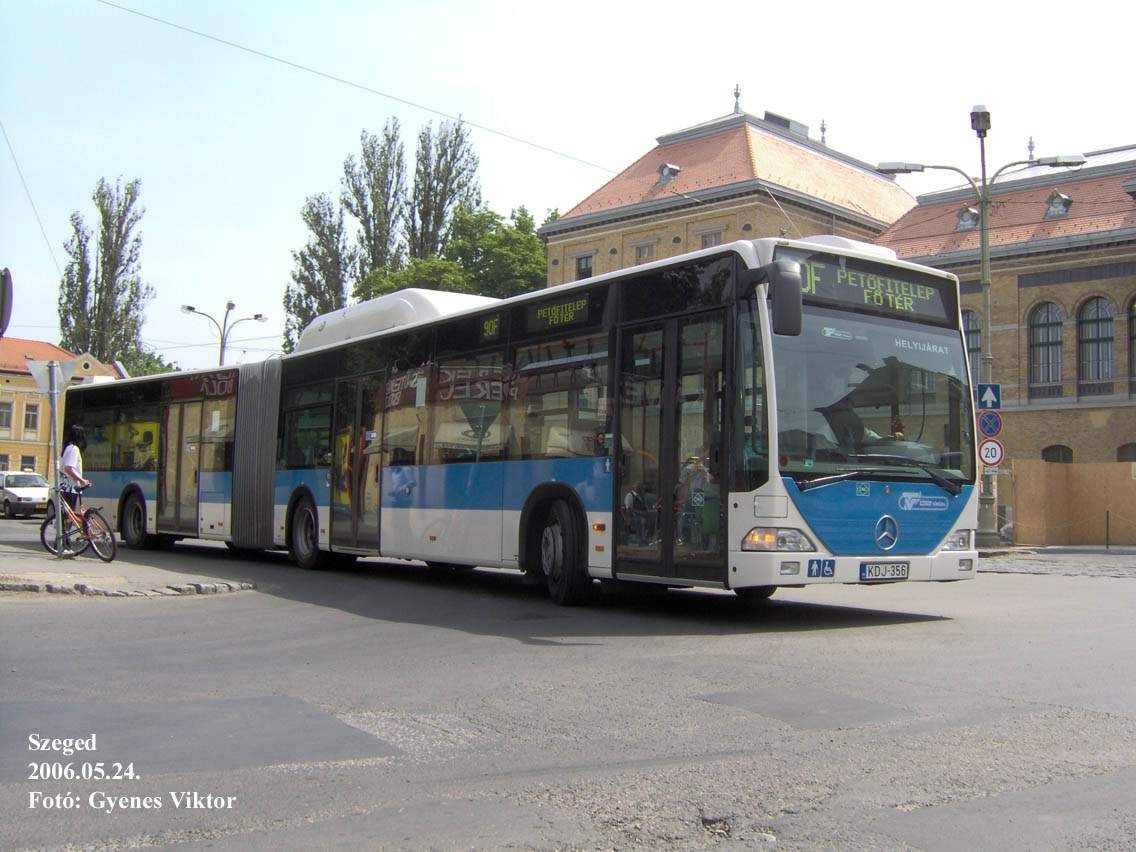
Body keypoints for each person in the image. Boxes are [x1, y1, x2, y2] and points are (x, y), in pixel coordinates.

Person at [59, 424, 91, 513]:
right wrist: (82, 480)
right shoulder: (74, 449)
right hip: (70, 487)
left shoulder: (67, 448)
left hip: (64, 487)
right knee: (68, 516)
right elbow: (69, 468)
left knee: (66, 516)